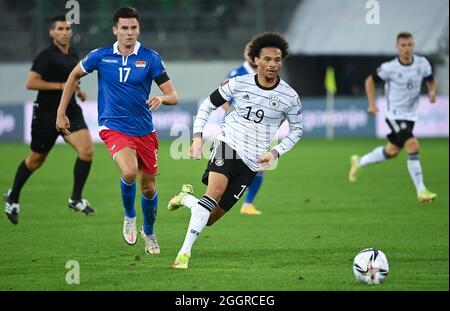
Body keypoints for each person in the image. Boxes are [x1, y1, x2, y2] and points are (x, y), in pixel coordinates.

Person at [167, 32, 303, 269]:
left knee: (209, 218)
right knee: (214, 192)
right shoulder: (238, 84)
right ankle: (184, 254)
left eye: (278, 60)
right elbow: (207, 105)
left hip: (252, 163)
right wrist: (198, 138)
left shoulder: (289, 96)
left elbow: (297, 130)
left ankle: (187, 199)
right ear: (256, 60)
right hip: (228, 145)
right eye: (268, 59)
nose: (273, 64)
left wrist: (275, 152)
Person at [56, 7, 179, 254]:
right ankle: (129, 216)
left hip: (144, 130)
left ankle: (150, 231)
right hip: (112, 125)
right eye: (124, 28)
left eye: (133, 28)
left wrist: (161, 99)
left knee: (149, 188)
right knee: (129, 170)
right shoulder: (100, 56)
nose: (129, 32)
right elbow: (73, 76)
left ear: (138, 29)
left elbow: (173, 95)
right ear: (115, 30)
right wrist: (62, 112)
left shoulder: (151, 58)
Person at [3, 15, 94, 225]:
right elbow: (31, 82)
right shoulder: (46, 56)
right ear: (52, 32)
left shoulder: (73, 54)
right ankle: (13, 195)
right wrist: (62, 87)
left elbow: (72, 79)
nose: (64, 32)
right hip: (47, 113)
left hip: (70, 110)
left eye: (67, 28)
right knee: (36, 160)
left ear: (71, 32)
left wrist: (77, 91)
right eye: (60, 28)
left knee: (87, 151)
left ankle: (76, 198)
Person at [348, 32, 438, 203]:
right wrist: (372, 104)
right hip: (395, 114)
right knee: (412, 145)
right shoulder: (389, 67)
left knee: (393, 151)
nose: (406, 49)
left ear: (413, 45)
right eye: (403, 45)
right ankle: (422, 191)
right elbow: (370, 81)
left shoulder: (422, 63)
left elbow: (431, 79)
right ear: (397, 47)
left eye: (409, 45)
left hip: (411, 116)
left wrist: (432, 92)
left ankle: (359, 161)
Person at [224, 41, 264, 216]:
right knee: (230, 166)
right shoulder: (237, 73)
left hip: (257, 128)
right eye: (248, 50)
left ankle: (247, 204)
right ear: (245, 54)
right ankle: (221, 198)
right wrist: (232, 111)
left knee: (260, 165)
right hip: (237, 128)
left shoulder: (264, 73)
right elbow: (221, 96)